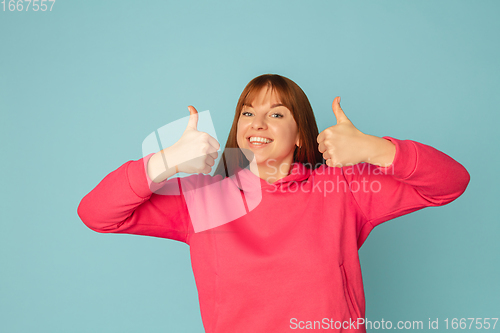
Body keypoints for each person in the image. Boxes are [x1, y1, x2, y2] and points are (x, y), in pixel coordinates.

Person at [77, 74, 470, 332]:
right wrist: (165, 162)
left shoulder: (343, 187)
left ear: (301, 134)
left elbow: (451, 183)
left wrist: (377, 149)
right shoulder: (202, 199)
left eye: (275, 114)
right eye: (248, 112)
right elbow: (96, 214)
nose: (257, 123)